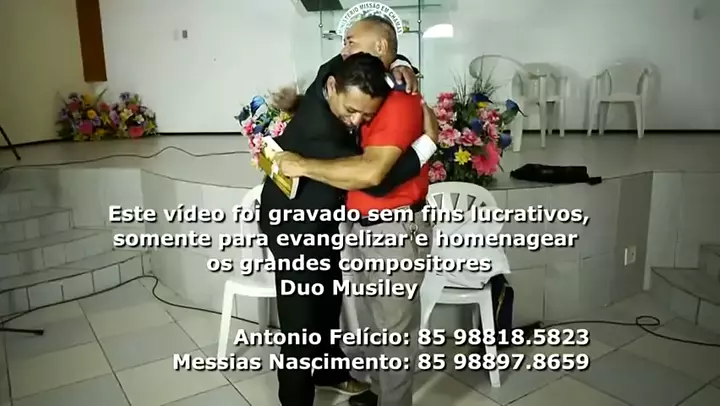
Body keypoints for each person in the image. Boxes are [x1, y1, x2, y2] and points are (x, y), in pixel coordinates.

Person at [274, 16, 435, 406]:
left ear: (379, 49)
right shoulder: (337, 92)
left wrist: (402, 67)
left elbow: (374, 176)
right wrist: (427, 145)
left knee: (365, 317)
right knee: (302, 321)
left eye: (350, 42)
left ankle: (356, 385)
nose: (343, 49)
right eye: (343, 43)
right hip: (297, 221)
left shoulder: (385, 95)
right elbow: (373, 177)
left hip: (365, 224)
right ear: (334, 87)